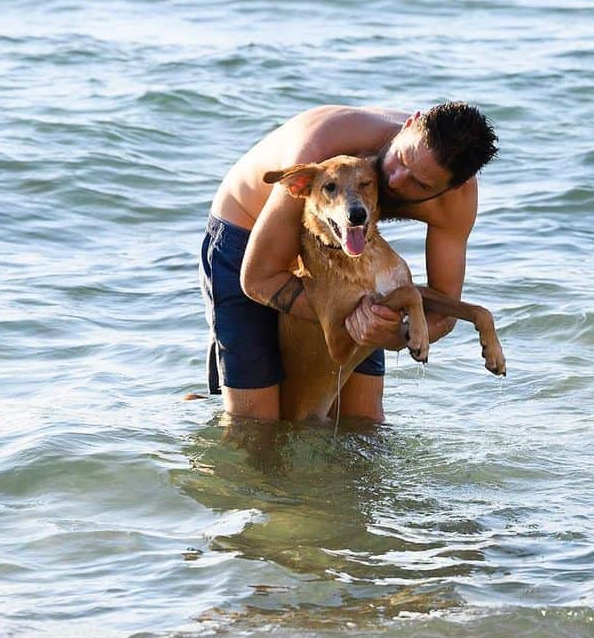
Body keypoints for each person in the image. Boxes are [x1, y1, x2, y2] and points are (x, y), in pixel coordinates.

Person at [200, 102, 499, 422]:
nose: (396, 180)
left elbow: (443, 314)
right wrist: (346, 319)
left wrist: (385, 334)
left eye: (420, 184)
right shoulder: (325, 146)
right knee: (256, 425)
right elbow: (257, 280)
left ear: (455, 186)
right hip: (249, 234)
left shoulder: (456, 203)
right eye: (401, 160)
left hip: (347, 244)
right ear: (410, 123)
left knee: (364, 423)